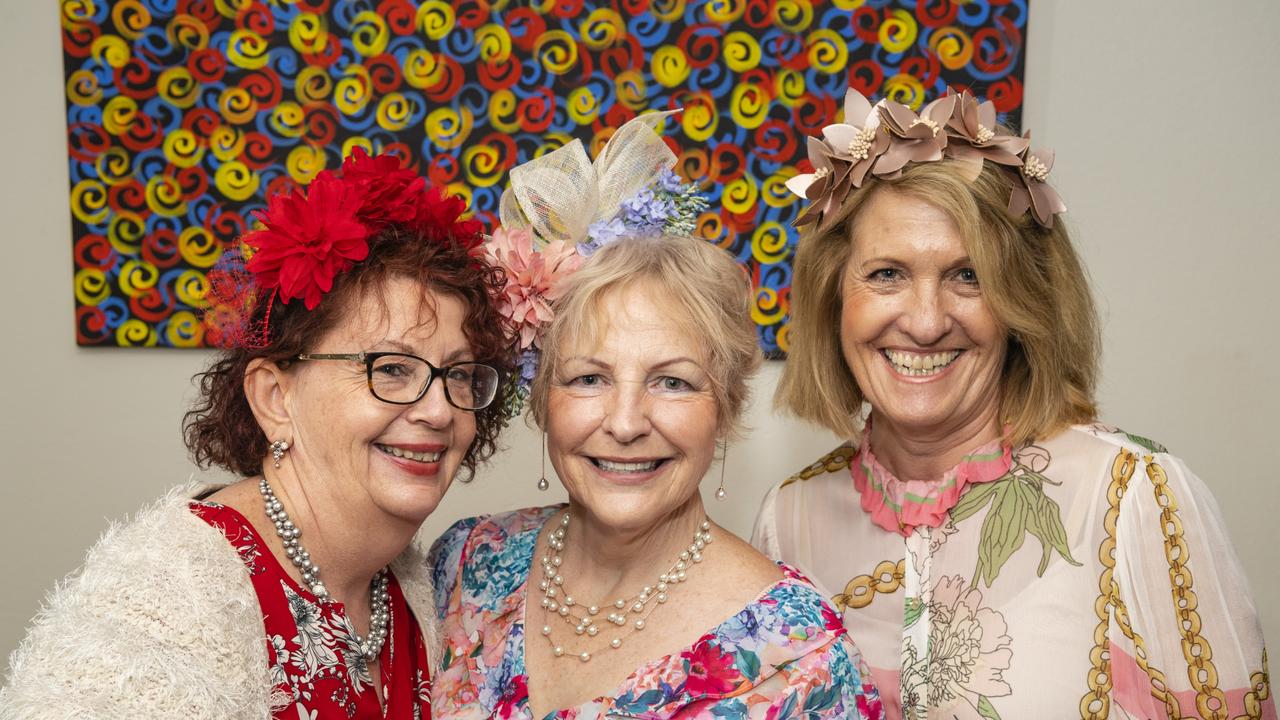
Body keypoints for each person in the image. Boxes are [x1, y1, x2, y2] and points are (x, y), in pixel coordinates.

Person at [752, 88, 1275, 719]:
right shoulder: (788, 519)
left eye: (968, 276)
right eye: (887, 273)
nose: (924, 322)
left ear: (1024, 303)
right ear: (834, 298)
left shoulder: (1133, 496)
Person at [0, 150, 515, 719]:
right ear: (275, 397)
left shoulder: (421, 587)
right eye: (391, 368)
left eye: (460, 375)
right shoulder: (163, 607)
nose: (440, 410)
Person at [428, 115, 882, 719]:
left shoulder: (801, 660)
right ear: (543, 399)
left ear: (723, 406)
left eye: (671, 382)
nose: (625, 422)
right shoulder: (464, 565)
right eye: (589, 378)